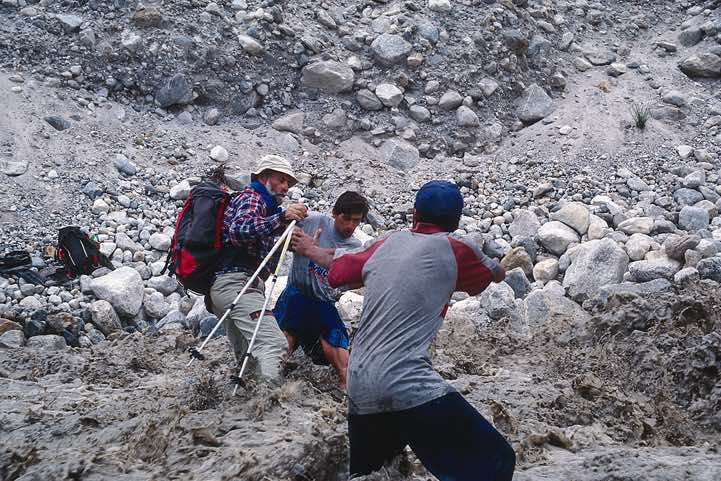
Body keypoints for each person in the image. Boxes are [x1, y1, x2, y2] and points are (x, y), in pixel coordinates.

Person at [292, 180, 516, 480]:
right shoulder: (456, 249)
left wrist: (309, 248)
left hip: (360, 382)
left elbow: (339, 269)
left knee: (382, 473)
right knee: (497, 460)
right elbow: (493, 275)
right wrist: (499, 267)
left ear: (414, 214)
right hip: (406, 380)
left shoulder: (386, 243)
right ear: (456, 220)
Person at [208, 154, 308, 383]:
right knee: (274, 344)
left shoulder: (264, 208)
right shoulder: (253, 198)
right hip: (237, 285)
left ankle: (246, 410)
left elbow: (254, 243)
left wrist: (283, 236)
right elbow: (239, 230)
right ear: (264, 177)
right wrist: (281, 217)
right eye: (281, 180)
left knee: (250, 359)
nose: (285, 187)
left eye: (289, 183)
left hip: (227, 288)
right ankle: (272, 409)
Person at [273, 191, 369, 388]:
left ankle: (346, 399)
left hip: (323, 302)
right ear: (334, 213)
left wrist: (318, 253)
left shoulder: (354, 247)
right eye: (346, 219)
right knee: (278, 348)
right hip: (296, 294)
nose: (351, 226)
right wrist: (290, 235)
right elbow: (280, 238)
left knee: (341, 360)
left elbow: (356, 281)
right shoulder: (312, 221)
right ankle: (271, 387)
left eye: (357, 221)